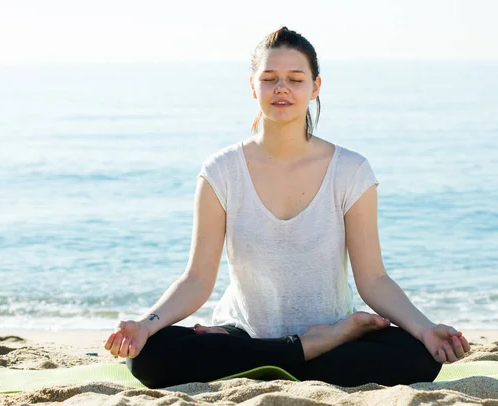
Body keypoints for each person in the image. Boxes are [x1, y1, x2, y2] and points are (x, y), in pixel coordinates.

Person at [104, 26, 470, 389]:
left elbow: (373, 279)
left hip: (304, 339)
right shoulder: (221, 171)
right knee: (149, 356)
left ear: (315, 88)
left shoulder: (350, 170)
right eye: (270, 78)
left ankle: (284, 354)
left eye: (295, 79)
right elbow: (197, 279)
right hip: (246, 332)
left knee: (416, 354)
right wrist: (146, 324)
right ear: (253, 86)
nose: (281, 88)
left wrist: (424, 329)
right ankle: (311, 346)